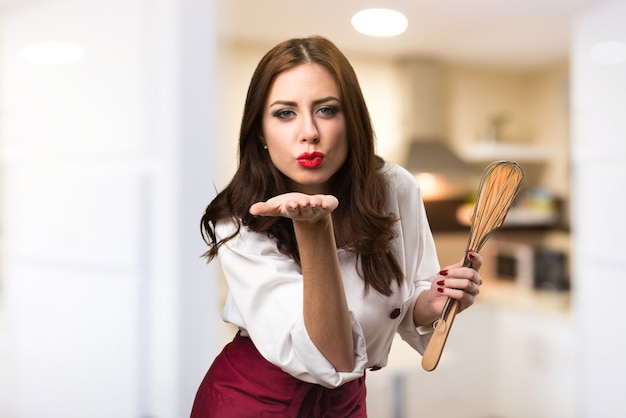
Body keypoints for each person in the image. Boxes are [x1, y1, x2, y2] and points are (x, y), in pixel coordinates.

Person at [191, 36, 483, 417]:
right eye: (284, 113)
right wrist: (313, 230)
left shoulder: (394, 188)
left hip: (346, 404)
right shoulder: (238, 218)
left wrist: (432, 304)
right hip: (251, 401)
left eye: (327, 110)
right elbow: (330, 356)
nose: (309, 131)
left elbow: (407, 298)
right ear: (260, 131)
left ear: (353, 121)